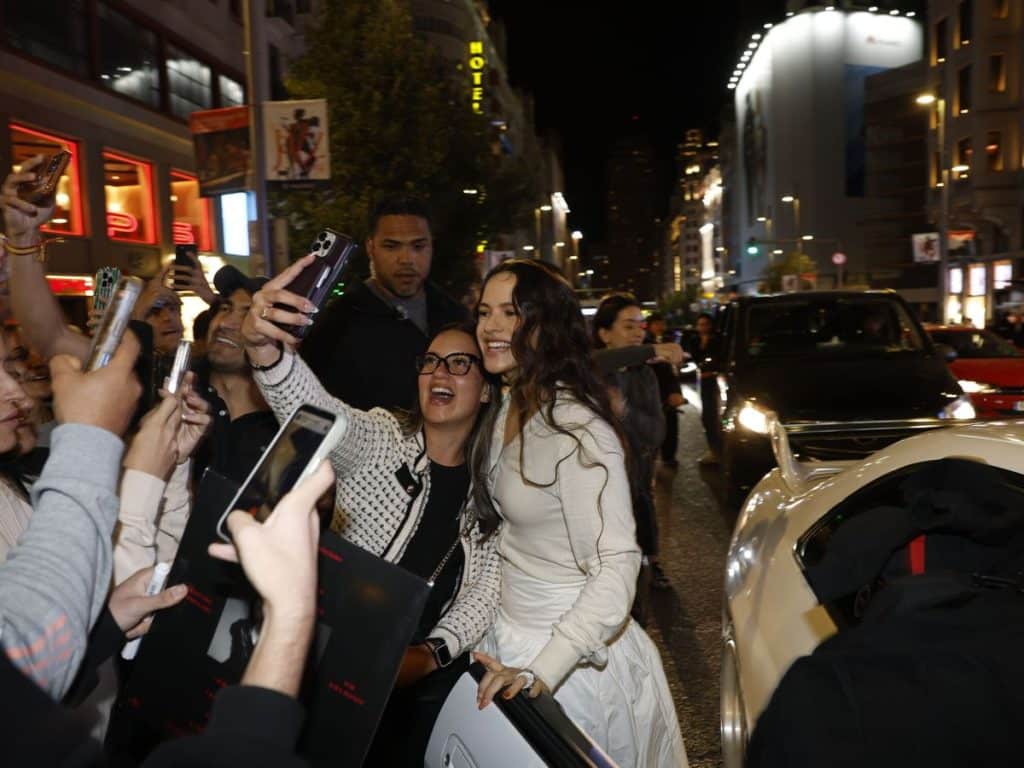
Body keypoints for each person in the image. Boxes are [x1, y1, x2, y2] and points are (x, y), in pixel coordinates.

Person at [241, 255, 502, 766]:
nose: (438, 372)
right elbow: (318, 412)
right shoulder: (383, 439)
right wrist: (267, 354)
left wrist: (429, 655)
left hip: (417, 693)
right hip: (331, 663)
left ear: (488, 388)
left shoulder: (494, 485)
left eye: (458, 363)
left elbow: (486, 588)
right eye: (430, 361)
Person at [471, 259, 687, 767]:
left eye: (511, 312)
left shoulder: (578, 431)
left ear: (545, 327)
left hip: (573, 675)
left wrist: (542, 670)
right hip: (504, 647)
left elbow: (617, 568)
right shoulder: (508, 404)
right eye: (484, 312)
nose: (491, 327)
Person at [299, 194, 468, 411]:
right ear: (371, 248)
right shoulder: (335, 324)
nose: (406, 259)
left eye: (418, 246)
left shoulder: (455, 316)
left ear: (431, 247)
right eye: (392, 246)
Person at [592, 293, 681, 592]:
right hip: (593, 492)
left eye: (640, 326)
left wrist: (625, 411)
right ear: (604, 334)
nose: (637, 333)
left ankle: (651, 563)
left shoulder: (645, 375)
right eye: (628, 326)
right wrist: (653, 349)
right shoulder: (586, 370)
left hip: (635, 480)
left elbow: (657, 432)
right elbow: (594, 360)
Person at [190, 265, 279, 485]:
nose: (226, 324)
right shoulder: (178, 392)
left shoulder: (287, 421)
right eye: (225, 308)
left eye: (248, 315)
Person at [684, 313, 722, 465]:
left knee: (716, 416)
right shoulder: (695, 341)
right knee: (707, 416)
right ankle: (713, 450)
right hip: (703, 381)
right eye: (700, 324)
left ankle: (719, 450)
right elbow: (695, 358)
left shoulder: (718, 340)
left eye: (706, 324)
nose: (703, 327)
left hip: (716, 379)